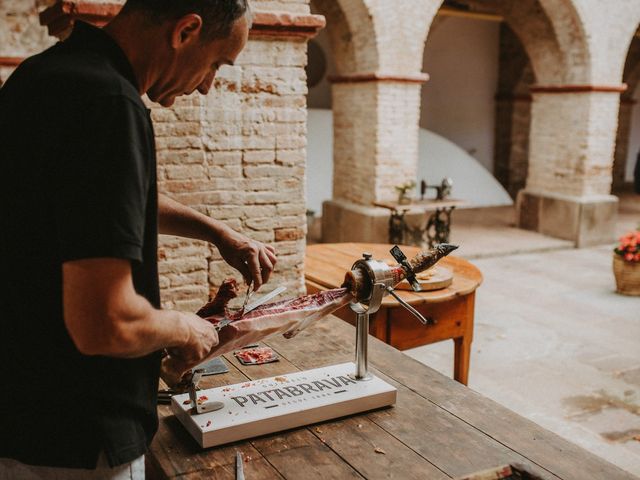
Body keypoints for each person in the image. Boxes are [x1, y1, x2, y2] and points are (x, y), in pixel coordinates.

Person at [0, 1, 276, 478]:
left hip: (18, 408)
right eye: (215, 63)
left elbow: (100, 199)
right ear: (186, 31)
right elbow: (105, 323)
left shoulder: (44, 75)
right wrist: (184, 328)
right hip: (78, 434)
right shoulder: (113, 104)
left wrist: (218, 233)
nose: (208, 85)